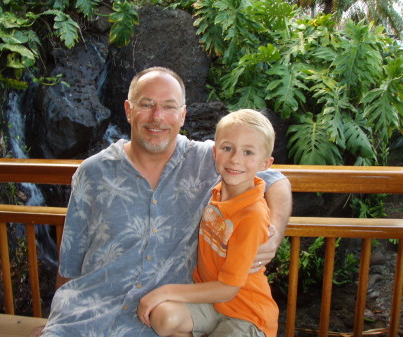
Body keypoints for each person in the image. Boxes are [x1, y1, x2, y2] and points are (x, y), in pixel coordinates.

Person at [32, 67, 291, 337]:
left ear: (183, 115)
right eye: (147, 105)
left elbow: (275, 178)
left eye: (169, 107)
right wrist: (54, 321)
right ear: (128, 110)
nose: (157, 117)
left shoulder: (210, 161)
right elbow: (70, 263)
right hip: (85, 316)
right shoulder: (92, 172)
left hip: (154, 323)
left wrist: (273, 232)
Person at [137, 109, 278, 337]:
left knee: (162, 301)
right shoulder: (218, 191)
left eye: (248, 152)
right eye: (227, 148)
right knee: (163, 317)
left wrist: (164, 291)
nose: (235, 159)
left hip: (246, 313)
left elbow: (228, 289)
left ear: (265, 163)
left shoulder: (252, 215)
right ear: (214, 152)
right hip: (210, 303)